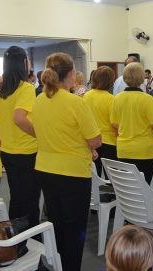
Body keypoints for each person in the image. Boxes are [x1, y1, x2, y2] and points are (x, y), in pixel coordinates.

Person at [32, 52, 101, 271]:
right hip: (72, 174)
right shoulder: (76, 103)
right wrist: (87, 146)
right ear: (72, 74)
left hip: (45, 169)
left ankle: (58, 265)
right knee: (75, 228)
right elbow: (96, 140)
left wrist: (83, 145)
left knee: (57, 223)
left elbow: (52, 131)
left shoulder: (39, 100)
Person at [0, 46, 41, 237]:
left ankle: (15, 237)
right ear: (23, 63)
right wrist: (40, 135)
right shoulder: (26, 88)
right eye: (28, 61)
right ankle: (34, 240)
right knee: (30, 200)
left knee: (16, 198)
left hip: (8, 152)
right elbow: (19, 118)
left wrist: (3, 131)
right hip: (27, 153)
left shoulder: (0, 89)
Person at [111, 62, 153, 184]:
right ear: (142, 78)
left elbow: (114, 124)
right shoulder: (147, 99)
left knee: (127, 188)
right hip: (144, 151)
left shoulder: (117, 98)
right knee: (143, 189)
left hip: (123, 149)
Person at [83, 66, 117, 176]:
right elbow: (114, 124)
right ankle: (110, 193)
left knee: (95, 172)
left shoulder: (86, 96)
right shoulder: (110, 99)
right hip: (109, 141)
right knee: (112, 175)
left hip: (91, 139)